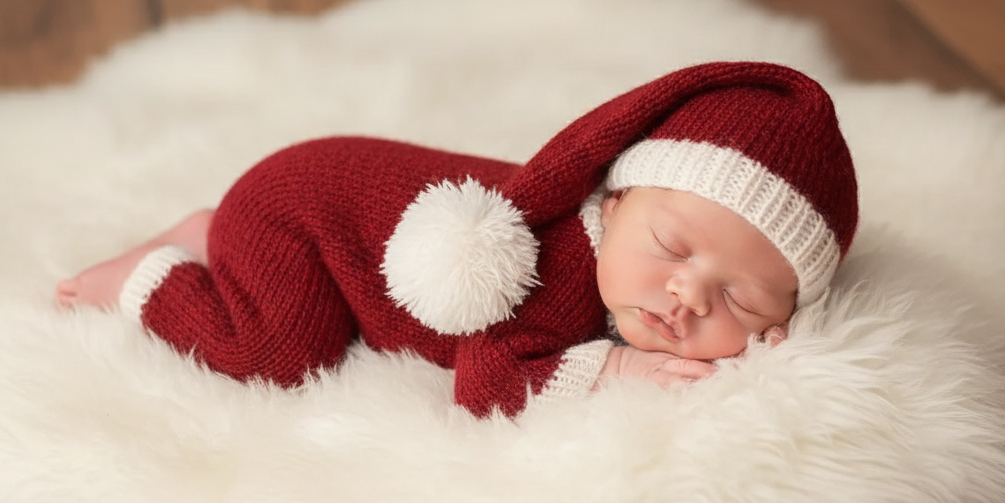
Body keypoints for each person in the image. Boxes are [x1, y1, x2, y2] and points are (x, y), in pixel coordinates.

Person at [56, 61, 858, 418]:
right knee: (276, 358)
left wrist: (762, 339)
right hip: (298, 214)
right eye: (674, 249)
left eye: (741, 297)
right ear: (610, 206)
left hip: (314, 194)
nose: (688, 296)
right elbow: (484, 383)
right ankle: (152, 274)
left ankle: (215, 233)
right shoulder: (559, 269)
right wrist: (614, 367)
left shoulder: (636, 260)